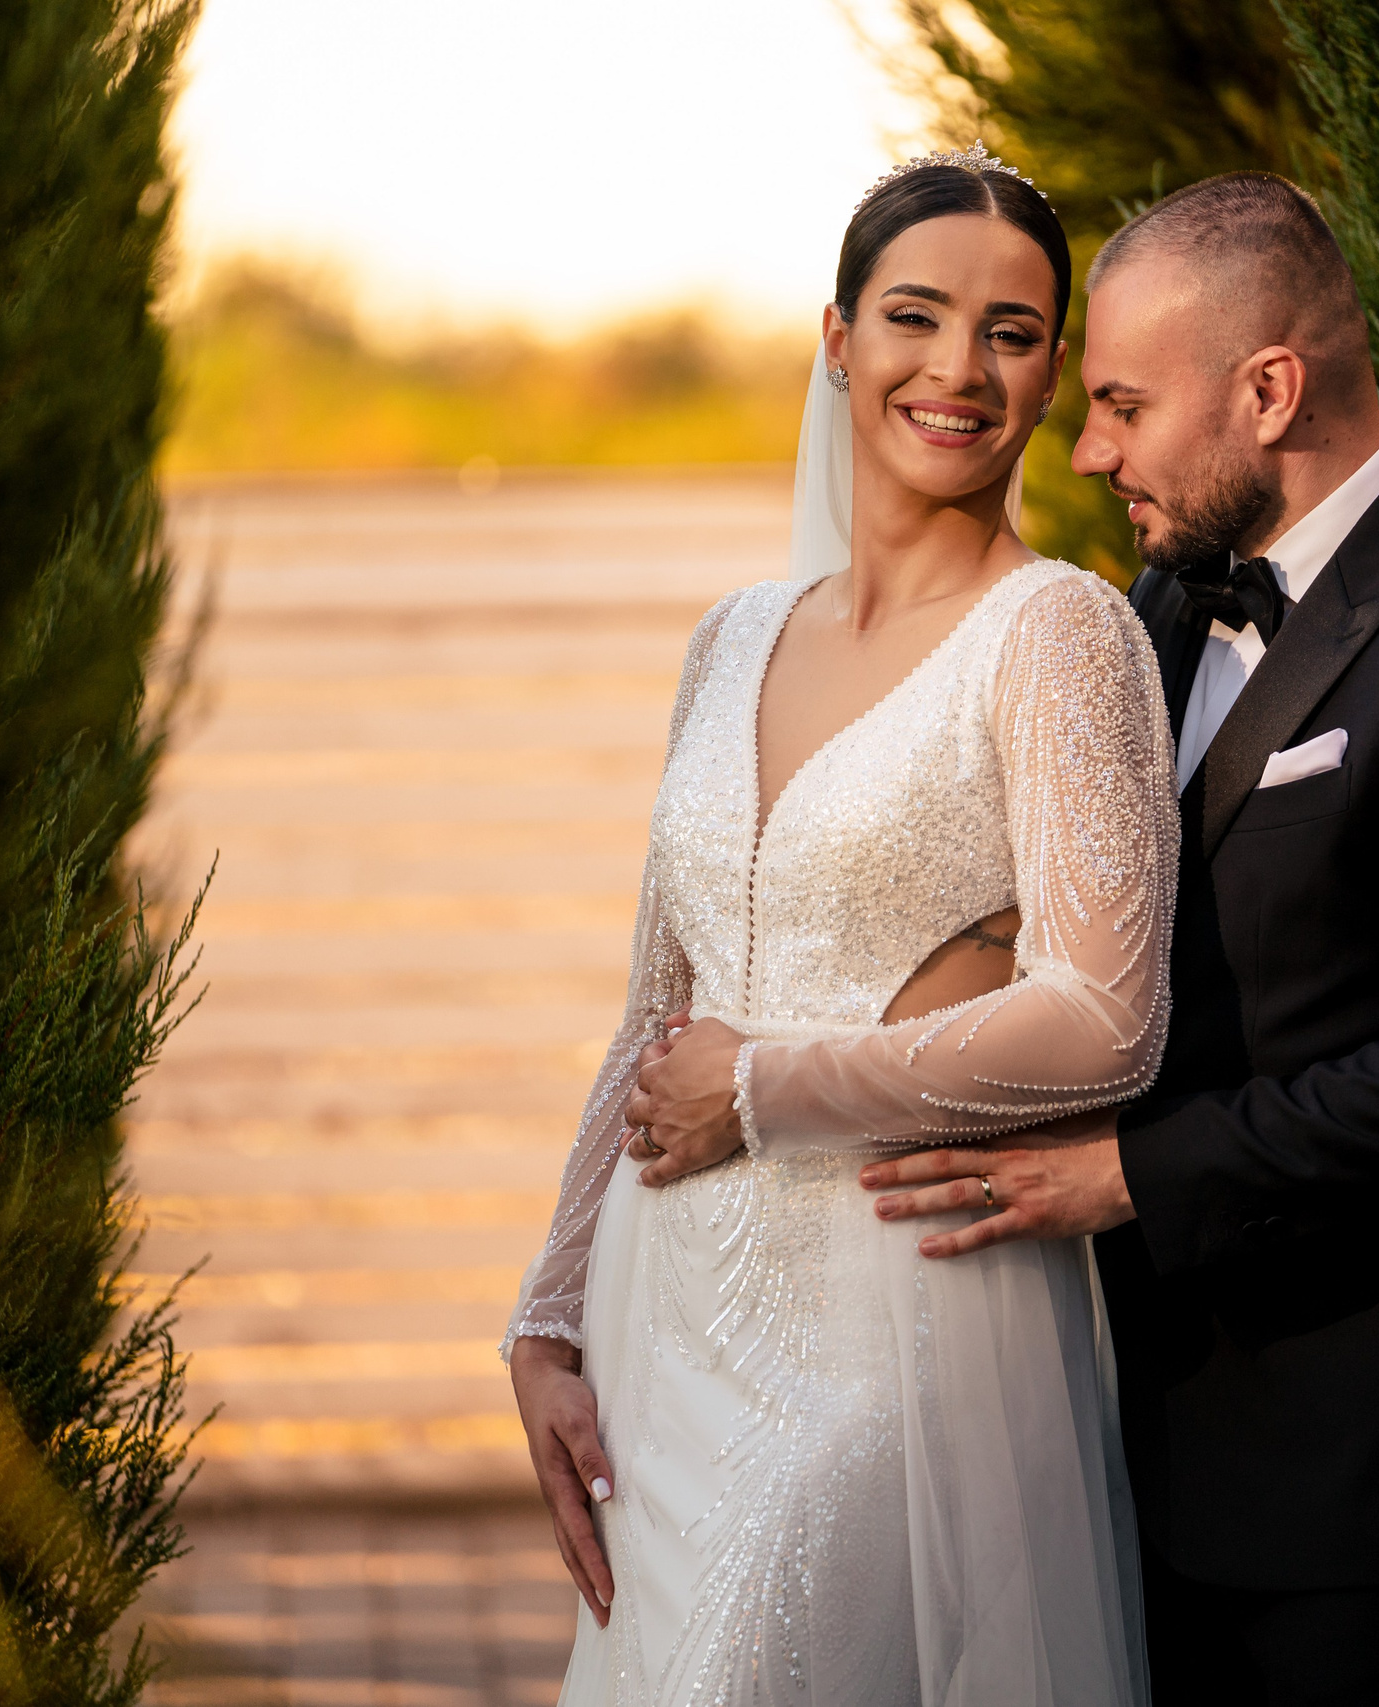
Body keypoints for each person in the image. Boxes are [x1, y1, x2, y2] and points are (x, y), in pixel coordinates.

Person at [764, 173, 1379, 1702]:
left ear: (1271, 391)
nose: (1086, 450)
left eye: (1121, 405)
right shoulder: (1162, 607)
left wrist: (1135, 1174)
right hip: (1142, 1449)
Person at [504, 143, 1178, 1707]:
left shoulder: (1059, 633)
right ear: (836, 339)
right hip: (663, 1329)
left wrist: (763, 1085)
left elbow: (1107, 1017)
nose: (959, 368)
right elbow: (650, 1015)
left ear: (1050, 371)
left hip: (895, 1323)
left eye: (1011, 334)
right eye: (916, 317)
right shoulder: (734, 637)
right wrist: (545, 1319)